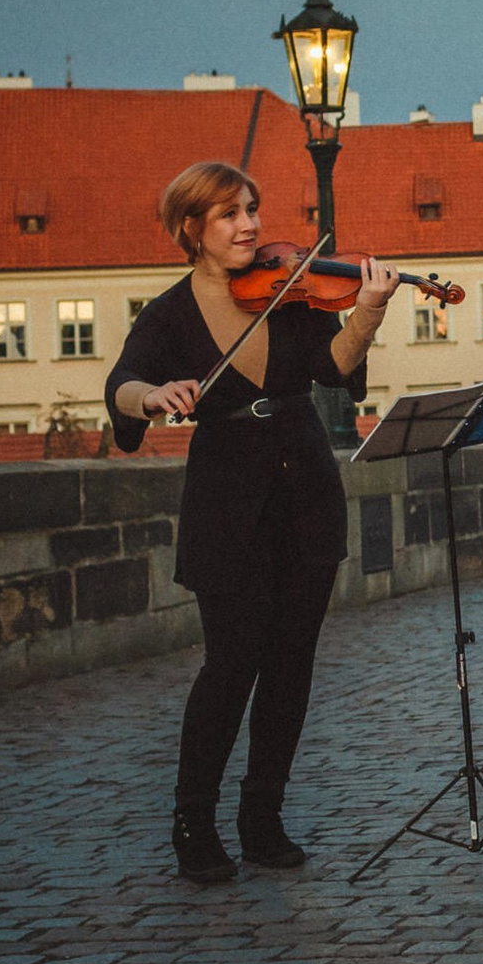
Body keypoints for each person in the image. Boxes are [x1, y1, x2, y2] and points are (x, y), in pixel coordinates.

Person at [104, 161, 398, 883]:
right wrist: (155, 397)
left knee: (292, 662)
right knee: (231, 664)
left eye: (253, 210)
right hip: (227, 495)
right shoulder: (170, 313)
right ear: (191, 230)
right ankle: (192, 820)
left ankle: (262, 815)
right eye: (231, 215)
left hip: (304, 480)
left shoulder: (291, 294)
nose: (251, 226)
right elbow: (122, 385)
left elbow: (333, 367)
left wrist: (369, 311)